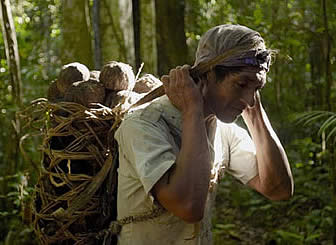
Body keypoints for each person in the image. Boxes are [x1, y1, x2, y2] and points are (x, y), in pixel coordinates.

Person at [114, 24, 294, 245]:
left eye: (257, 88)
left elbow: (278, 189)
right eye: (241, 84)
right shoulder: (143, 125)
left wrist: (254, 110)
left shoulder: (223, 129)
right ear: (207, 75)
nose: (248, 99)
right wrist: (192, 111)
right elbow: (188, 206)